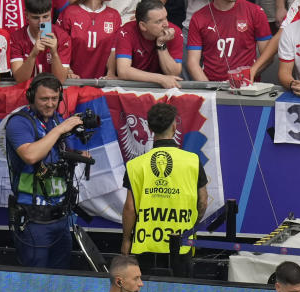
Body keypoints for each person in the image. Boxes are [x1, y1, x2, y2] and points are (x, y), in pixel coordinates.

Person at [5, 73, 86, 269]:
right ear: (31, 96)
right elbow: (30, 155)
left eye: (54, 98)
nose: (50, 104)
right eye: (44, 99)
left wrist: (77, 153)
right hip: (33, 219)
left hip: (60, 217)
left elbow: (57, 153)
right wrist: (59, 130)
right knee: (34, 280)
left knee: (60, 279)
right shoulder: (19, 122)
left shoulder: (56, 120)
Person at [120, 103, 208, 277]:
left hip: (146, 246)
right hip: (182, 244)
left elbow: (130, 208)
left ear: (151, 129)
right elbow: (203, 202)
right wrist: (191, 224)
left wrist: (126, 239)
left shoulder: (135, 165)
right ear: (175, 126)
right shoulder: (192, 161)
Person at [185, 0, 272, 82]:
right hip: (213, 85)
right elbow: (193, 63)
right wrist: (210, 89)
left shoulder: (255, 11)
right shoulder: (198, 17)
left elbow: (268, 56)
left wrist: (248, 76)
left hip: (247, 87)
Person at [115, 0, 184, 89]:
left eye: (166, 18)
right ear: (143, 26)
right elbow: (123, 71)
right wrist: (160, 79)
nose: (166, 24)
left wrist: (161, 44)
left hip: (162, 90)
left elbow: (174, 73)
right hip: (131, 88)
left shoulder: (175, 32)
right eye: (159, 21)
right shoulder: (127, 31)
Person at [9, 0, 72, 82]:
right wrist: (33, 54)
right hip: (26, 92)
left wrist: (54, 54)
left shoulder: (62, 37)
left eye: (45, 17)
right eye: (36, 18)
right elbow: (20, 79)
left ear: (51, 13)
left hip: (52, 92)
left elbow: (60, 80)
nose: (41, 23)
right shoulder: (16, 38)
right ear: (26, 15)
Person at [57, 0, 121, 79]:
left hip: (103, 83)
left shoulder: (114, 15)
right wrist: (68, 71)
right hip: (73, 81)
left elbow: (114, 48)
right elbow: (60, 45)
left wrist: (110, 72)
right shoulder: (69, 12)